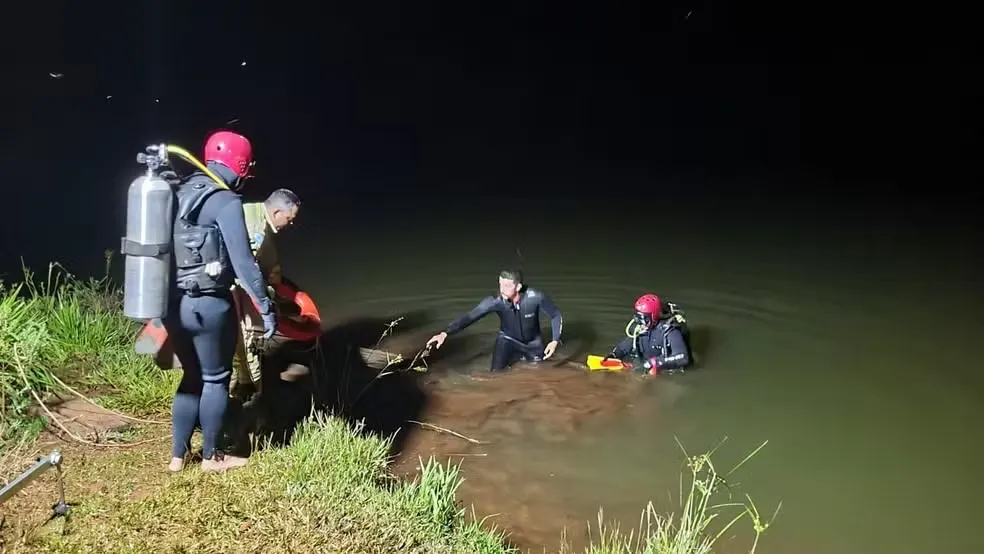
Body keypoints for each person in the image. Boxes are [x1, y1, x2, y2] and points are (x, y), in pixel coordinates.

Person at [163, 130, 276, 473]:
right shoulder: (225, 201)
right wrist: (266, 307)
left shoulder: (176, 191)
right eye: (247, 167)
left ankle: (177, 457)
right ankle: (212, 457)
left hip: (172, 305)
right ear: (240, 165)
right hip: (210, 305)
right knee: (215, 379)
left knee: (191, 377)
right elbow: (244, 265)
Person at [231, 188, 303, 397]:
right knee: (248, 339)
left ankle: (243, 383)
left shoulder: (252, 211)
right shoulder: (258, 228)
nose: (290, 224)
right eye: (289, 219)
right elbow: (247, 270)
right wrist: (264, 302)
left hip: (236, 288)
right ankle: (256, 392)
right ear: (276, 212)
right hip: (237, 291)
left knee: (240, 340)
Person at [426, 269, 564, 371]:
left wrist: (554, 341)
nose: (502, 289)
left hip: (533, 342)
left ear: (518, 287)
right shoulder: (495, 301)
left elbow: (555, 315)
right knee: (495, 376)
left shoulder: (535, 297)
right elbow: (470, 316)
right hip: (507, 340)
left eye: (507, 285)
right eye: (500, 284)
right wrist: (445, 333)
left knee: (539, 374)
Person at [606, 294, 692, 375]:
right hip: (643, 367)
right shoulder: (640, 330)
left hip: (663, 372)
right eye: (638, 317)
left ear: (653, 316)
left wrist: (654, 363)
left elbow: (683, 357)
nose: (640, 323)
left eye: (644, 319)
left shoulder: (670, 331)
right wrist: (614, 355)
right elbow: (623, 348)